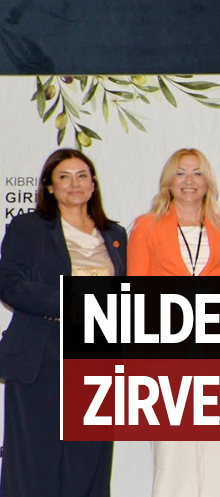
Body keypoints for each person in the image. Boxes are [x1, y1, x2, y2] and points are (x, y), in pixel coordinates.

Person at [0, 148, 125, 497]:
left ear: (93, 184)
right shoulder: (28, 228)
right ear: (50, 187)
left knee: (89, 462)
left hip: (97, 356)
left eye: (82, 176)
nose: (75, 184)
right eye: (64, 177)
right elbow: (9, 284)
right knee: (37, 461)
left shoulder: (115, 233)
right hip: (43, 356)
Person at [128, 147, 220, 497]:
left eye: (196, 172)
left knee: (217, 449)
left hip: (217, 351)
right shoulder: (146, 228)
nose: (189, 181)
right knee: (172, 451)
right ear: (168, 182)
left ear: (208, 182)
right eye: (180, 173)